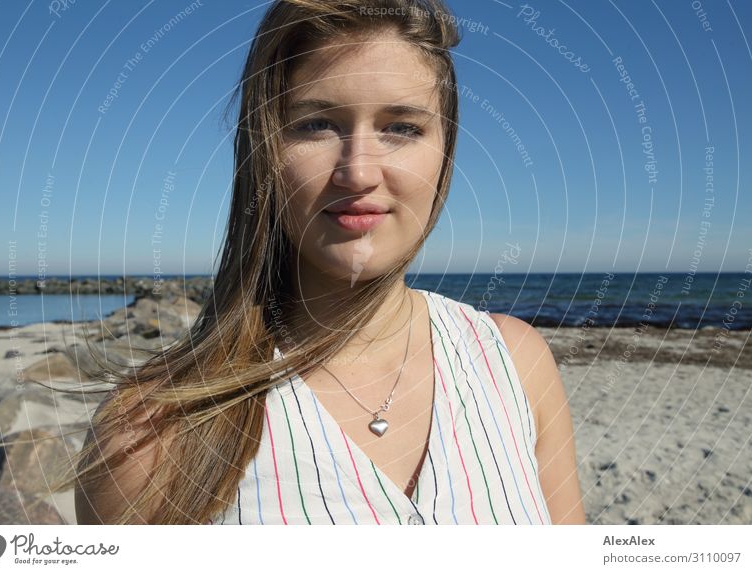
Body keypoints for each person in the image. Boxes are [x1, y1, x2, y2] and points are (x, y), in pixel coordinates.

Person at [59, 0, 584, 525]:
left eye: (401, 127)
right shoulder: (151, 435)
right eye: (315, 125)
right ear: (264, 149)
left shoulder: (514, 363)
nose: (358, 173)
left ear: (445, 152)